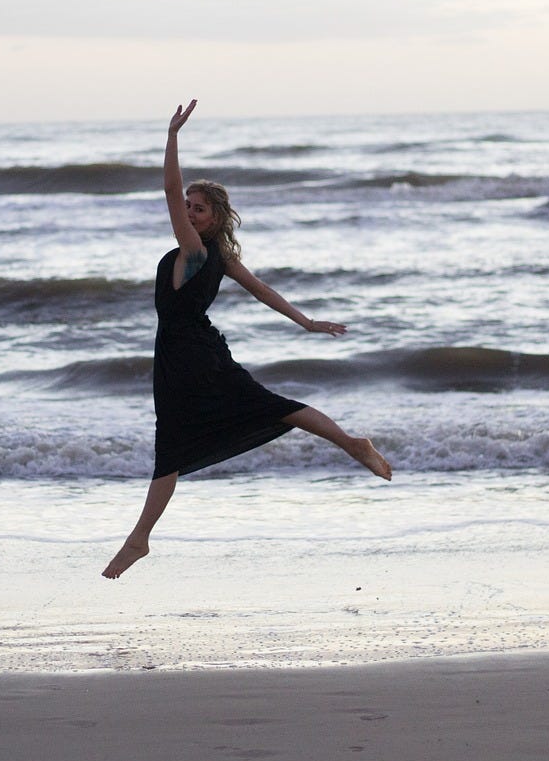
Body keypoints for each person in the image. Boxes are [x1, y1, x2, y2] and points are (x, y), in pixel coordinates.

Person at [102, 100, 392, 579]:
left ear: (214, 218)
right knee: (262, 408)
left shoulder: (195, 250)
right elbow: (263, 291)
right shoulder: (219, 257)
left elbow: (170, 191)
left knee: (176, 442)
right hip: (196, 353)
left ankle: (140, 538)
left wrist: (171, 137)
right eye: (189, 208)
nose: (189, 213)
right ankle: (350, 442)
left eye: (198, 209)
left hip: (187, 357)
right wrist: (306, 323)